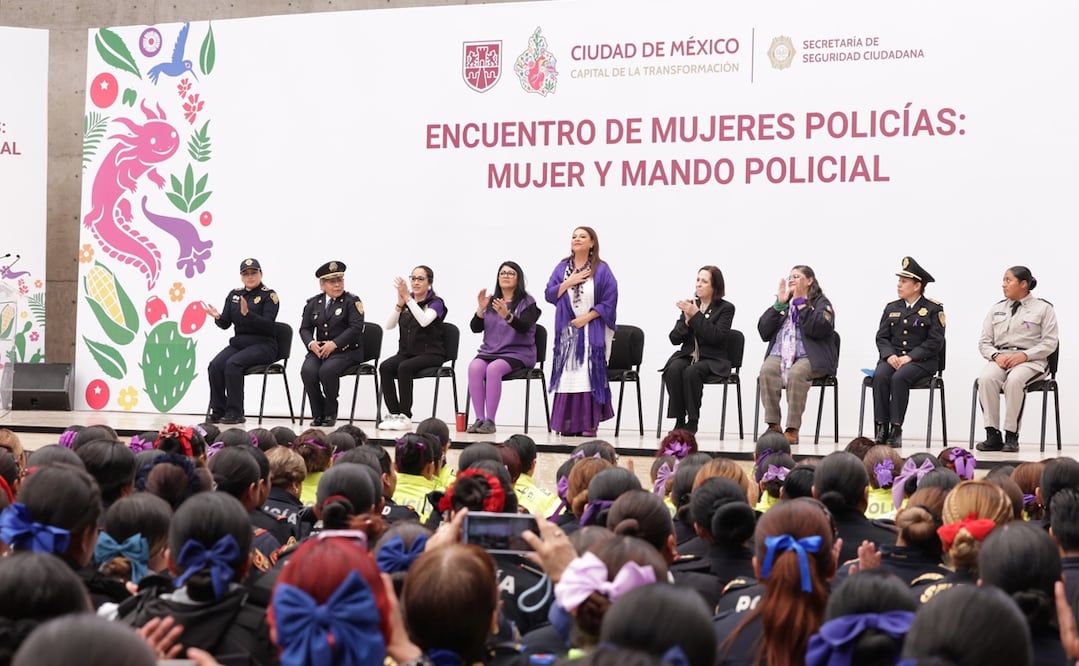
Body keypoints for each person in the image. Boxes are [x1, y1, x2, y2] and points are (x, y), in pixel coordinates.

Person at [975, 265, 1059, 452]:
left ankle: (1011, 436)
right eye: (1003, 280)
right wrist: (995, 355)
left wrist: (1024, 355)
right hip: (1001, 358)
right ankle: (992, 434)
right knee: (986, 379)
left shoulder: (1043, 309)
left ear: (1023, 284)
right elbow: (984, 342)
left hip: (1032, 361)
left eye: (1008, 280)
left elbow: (1050, 343)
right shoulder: (996, 309)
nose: (1003, 284)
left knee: (1014, 381)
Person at [546, 226, 619, 437]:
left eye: (582, 236)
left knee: (587, 374)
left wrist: (587, 318)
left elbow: (610, 300)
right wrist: (569, 282)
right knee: (569, 375)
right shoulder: (562, 268)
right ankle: (568, 423)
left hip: (591, 329)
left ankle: (589, 423)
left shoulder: (601, 269)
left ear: (592, 243)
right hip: (568, 332)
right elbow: (550, 294)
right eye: (574, 236)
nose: (577, 239)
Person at [757, 264, 838, 445]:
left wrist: (801, 303)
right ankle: (773, 425)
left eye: (797, 276)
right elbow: (763, 331)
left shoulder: (821, 303)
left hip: (809, 357)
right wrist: (778, 305)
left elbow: (819, 328)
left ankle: (792, 429)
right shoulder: (784, 303)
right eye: (790, 276)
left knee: (797, 373)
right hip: (781, 354)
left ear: (809, 281)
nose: (791, 279)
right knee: (767, 370)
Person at [871, 257, 945, 447]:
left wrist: (910, 357)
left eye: (904, 281)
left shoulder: (932, 309)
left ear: (917, 286)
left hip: (922, 361)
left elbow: (935, 342)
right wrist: (890, 356)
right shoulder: (892, 308)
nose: (899, 285)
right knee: (879, 376)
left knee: (899, 378)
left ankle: (896, 429)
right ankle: (881, 427)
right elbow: (882, 337)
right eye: (899, 281)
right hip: (894, 359)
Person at [466, 261, 541, 434]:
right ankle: (479, 419)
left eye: (510, 273)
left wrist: (506, 315)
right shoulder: (492, 301)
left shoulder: (527, 302)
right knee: (475, 367)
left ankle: (490, 421)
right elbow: (475, 328)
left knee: (493, 369)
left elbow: (524, 327)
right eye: (502, 273)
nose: (505, 276)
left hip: (519, 352)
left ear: (518, 278)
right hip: (490, 351)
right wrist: (481, 309)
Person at [661, 265, 736, 434]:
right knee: (673, 368)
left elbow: (717, 337)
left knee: (691, 372)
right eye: (697, 280)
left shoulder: (726, 308)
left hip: (713, 359)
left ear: (714, 286)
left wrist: (696, 316)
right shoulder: (691, 305)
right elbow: (674, 339)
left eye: (704, 281)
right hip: (688, 355)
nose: (698, 284)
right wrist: (687, 322)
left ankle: (693, 420)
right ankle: (679, 420)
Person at [206, 258, 280, 425]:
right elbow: (225, 324)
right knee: (215, 365)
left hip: (264, 344)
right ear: (241, 276)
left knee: (233, 364)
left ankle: (235, 412)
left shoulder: (269, 296)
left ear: (261, 273)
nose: (250, 276)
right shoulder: (234, 295)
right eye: (245, 274)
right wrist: (217, 317)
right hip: (239, 344)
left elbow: (269, 325)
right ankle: (219, 410)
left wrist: (248, 314)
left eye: (254, 272)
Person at [380, 265, 448, 431]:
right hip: (407, 352)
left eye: (420, 279)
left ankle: (405, 415)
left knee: (405, 367)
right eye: (413, 278)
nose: (416, 282)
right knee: (385, 367)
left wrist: (408, 300)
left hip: (431, 353)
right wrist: (399, 303)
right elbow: (389, 326)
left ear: (429, 283)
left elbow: (424, 320)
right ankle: (394, 415)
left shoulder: (436, 303)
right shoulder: (406, 300)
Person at [299, 260, 366, 428]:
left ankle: (330, 412)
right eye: (332, 281)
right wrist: (311, 343)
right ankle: (318, 413)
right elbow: (304, 329)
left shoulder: (352, 301)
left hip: (347, 351)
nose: (337, 285)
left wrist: (334, 344)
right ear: (322, 285)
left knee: (327, 371)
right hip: (321, 350)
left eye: (340, 280)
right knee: (308, 371)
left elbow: (356, 328)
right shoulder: (314, 303)